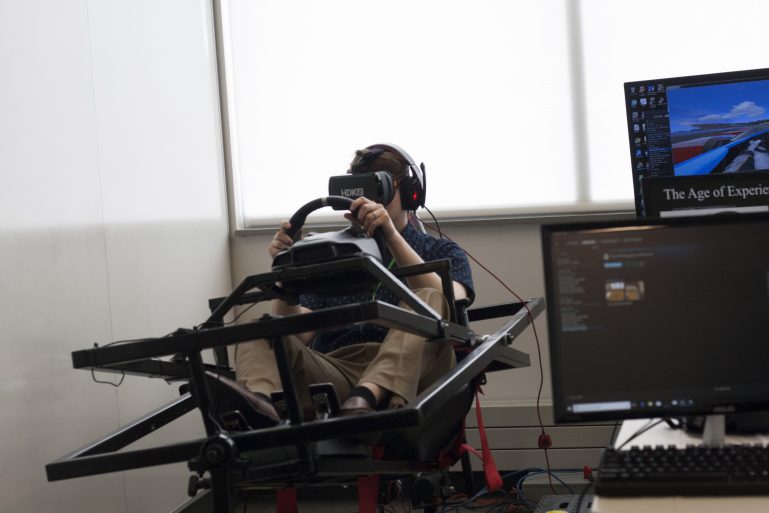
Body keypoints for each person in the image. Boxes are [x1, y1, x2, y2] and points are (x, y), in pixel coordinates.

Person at [234, 144, 474, 423]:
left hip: (415, 373)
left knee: (430, 298)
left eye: (380, 191)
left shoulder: (441, 251)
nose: (372, 203)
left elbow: (451, 301)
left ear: (410, 193)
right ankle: (258, 410)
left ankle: (369, 395)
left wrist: (390, 236)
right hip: (337, 370)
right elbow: (296, 334)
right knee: (260, 329)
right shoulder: (334, 252)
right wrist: (286, 271)